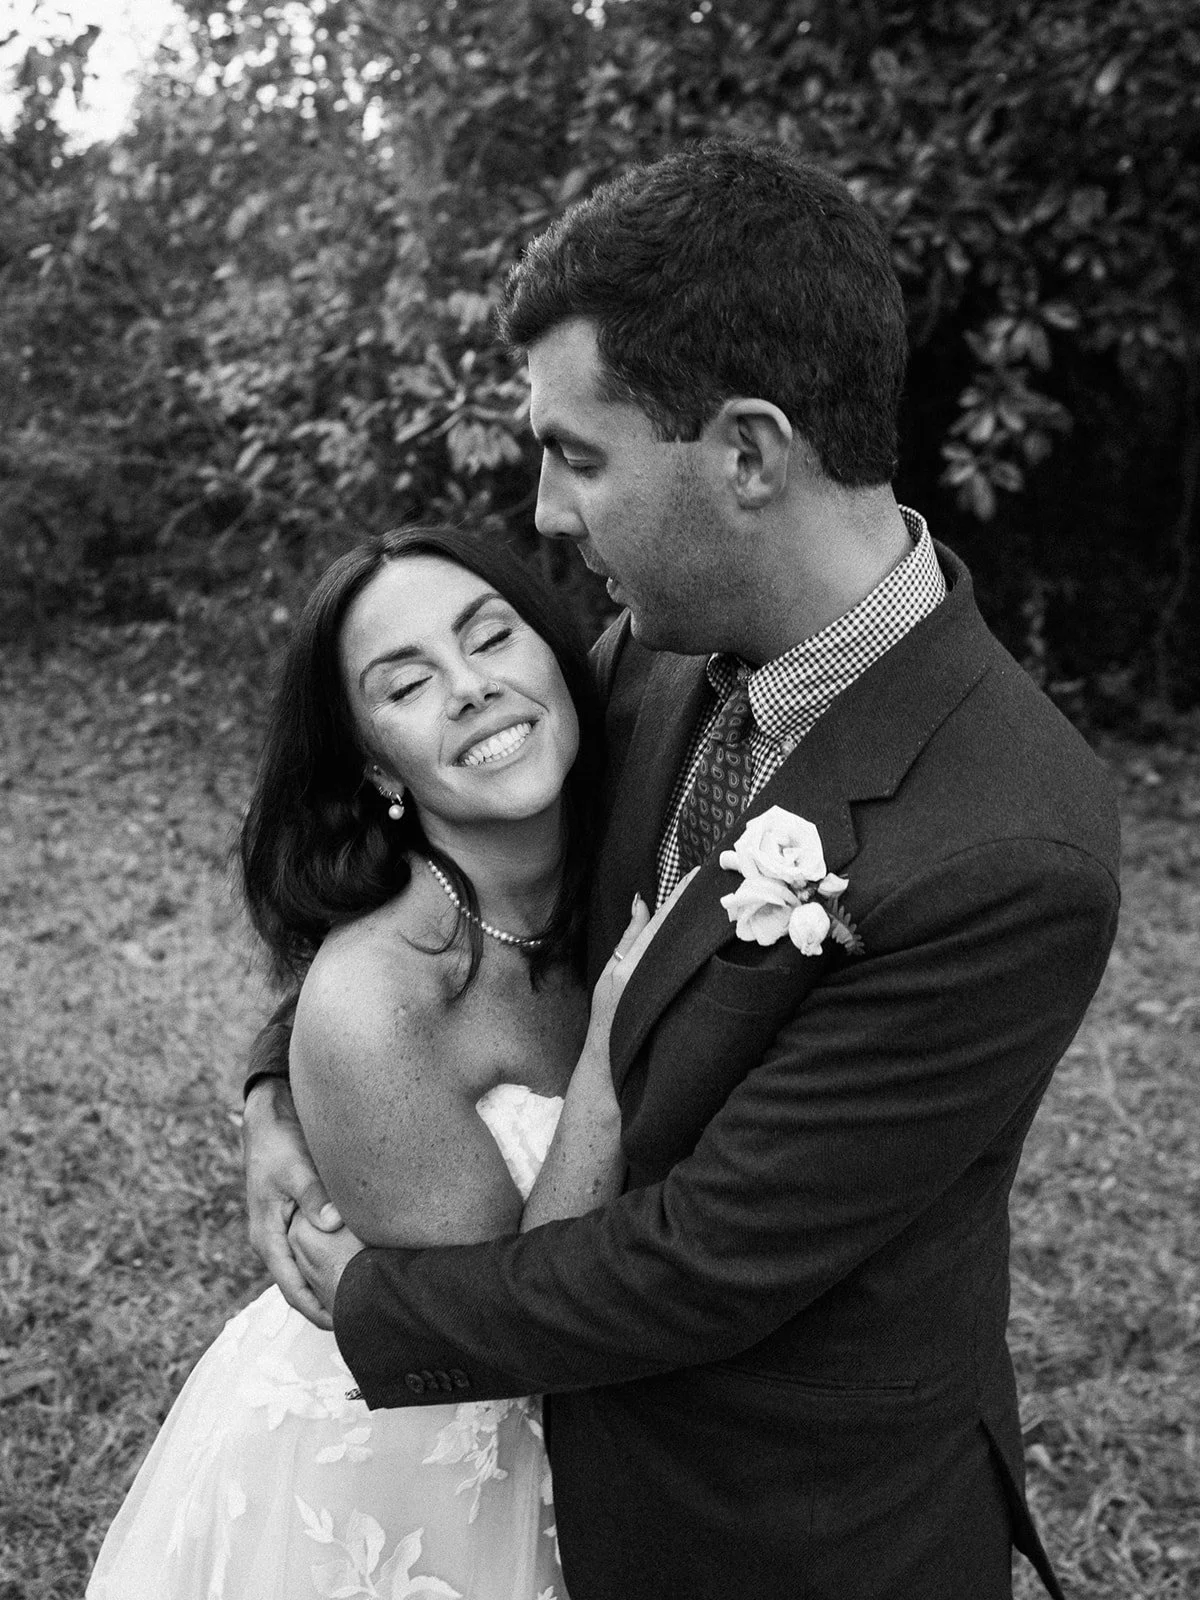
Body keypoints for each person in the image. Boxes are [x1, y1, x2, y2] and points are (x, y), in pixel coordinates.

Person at [244, 139, 1120, 1600]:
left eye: (578, 454)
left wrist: (380, 1307)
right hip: (567, 1486)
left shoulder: (1010, 847)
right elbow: (484, 885)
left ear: (749, 454)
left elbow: (703, 1261)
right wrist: (283, 1084)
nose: (545, 510)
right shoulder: (654, 656)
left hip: (790, 1522)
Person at [88, 524, 685, 1600]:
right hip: (412, 1483)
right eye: (408, 684)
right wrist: (608, 1048)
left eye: (491, 637)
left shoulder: (637, 790)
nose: (471, 688)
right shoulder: (379, 997)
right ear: (376, 765)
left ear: (561, 655)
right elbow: (516, 1325)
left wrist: (269, 1087)